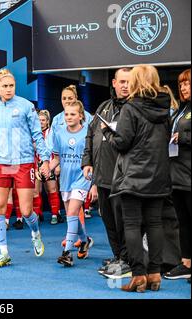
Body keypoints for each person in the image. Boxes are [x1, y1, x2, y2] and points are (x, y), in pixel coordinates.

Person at [102, 64, 171, 293]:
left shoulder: (130, 108)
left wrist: (108, 134)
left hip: (132, 177)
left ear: (137, 81)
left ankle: (139, 276)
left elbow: (122, 143)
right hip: (159, 176)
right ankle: (155, 274)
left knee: (131, 225)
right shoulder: (165, 108)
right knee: (155, 223)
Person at [0, 69, 50, 268]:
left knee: (27, 210)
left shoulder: (26, 106)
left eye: (11, 85)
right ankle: (4, 253)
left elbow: (37, 135)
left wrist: (45, 159)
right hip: (1, 164)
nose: (8, 89)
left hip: (24, 162)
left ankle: (35, 232)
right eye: (4, 86)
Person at [82, 67, 132, 278]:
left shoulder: (134, 109)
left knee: (123, 223)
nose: (125, 86)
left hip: (123, 178)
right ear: (113, 83)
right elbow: (90, 135)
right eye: (121, 81)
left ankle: (127, 260)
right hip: (101, 176)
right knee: (109, 221)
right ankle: (118, 256)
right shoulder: (103, 107)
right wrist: (87, 161)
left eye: (128, 82)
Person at [49, 101, 93, 267]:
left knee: (73, 211)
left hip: (83, 178)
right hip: (66, 179)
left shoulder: (88, 133)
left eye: (73, 114)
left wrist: (93, 182)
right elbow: (56, 158)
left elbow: (93, 158)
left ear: (81, 116)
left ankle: (67, 253)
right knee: (71, 216)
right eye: (67, 114)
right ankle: (85, 240)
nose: (69, 117)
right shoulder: (59, 133)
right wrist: (47, 169)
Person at [164, 69, 191, 281]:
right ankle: (187, 263)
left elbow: (184, 136)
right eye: (181, 84)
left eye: (188, 84)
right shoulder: (181, 110)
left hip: (189, 175)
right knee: (184, 222)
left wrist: (181, 136)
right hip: (177, 175)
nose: (183, 88)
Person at [37, 109, 63, 225]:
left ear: (47, 122)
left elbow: (57, 148)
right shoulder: (33, 133)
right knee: (35, 191)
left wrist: (57, 166)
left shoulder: (52, 132)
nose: (41, 122)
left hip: (50, 162)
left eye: (43, 120)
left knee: (51, 189)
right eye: (39, 120)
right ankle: (37, 214)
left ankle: (54, 214)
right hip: (36, 163)